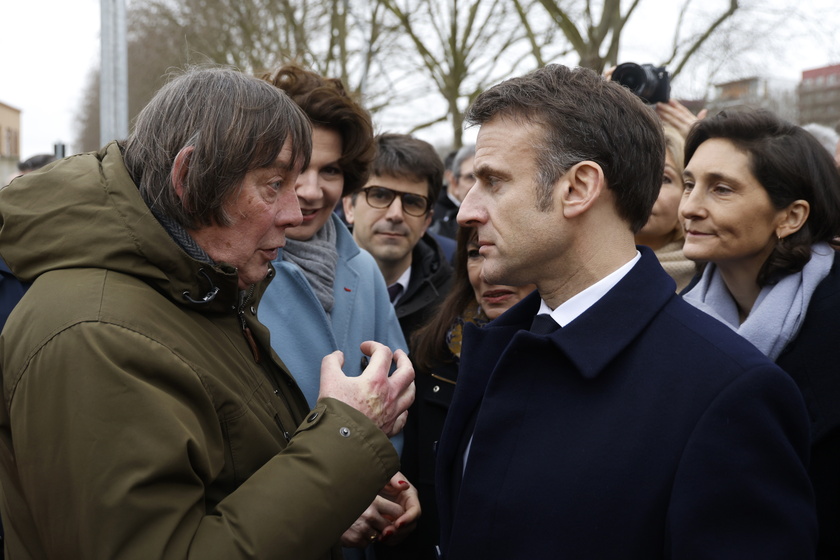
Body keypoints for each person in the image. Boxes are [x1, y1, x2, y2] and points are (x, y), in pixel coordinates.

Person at [0, 67, 416, 560]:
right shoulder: (94, 336)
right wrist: (344, 435)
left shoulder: (202, 290)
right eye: (274, 184)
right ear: (189, 178)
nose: (295, 210)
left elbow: (234, 488)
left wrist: (340, 487)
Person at [436, 64, 816, 559]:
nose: (466, 211)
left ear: (578, 188)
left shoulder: (730, 392)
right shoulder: (500, 346)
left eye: (493, 182)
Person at [255, 64, 417, 553]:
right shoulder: (234, 268)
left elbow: (391, 397)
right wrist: (326, 498)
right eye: (295, 167)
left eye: (330, 170)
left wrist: (386, 486)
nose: (310, 190)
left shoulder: (364, 270)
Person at [679, 108, 840, 559]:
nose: (690, 206)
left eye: (721, 189)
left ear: (790, 217)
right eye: (689, 183)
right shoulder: (672, 320)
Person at [381, 225, 533, 560]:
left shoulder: (563, 357)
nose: (489, 272)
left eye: (507, 251)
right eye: (476, 254)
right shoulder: (430, 353)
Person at [343, 133, 453, 345]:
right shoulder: (311, 286)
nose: (396, 214)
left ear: (427, 221)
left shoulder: (454, 302)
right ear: (349, 206)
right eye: (380, 195)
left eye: (412, 202)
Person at [634, 125, 695, 291]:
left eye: (664, 179)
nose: (645, 187)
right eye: (636, 173)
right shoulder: (579, 265)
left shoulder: (712, 274)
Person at [429, 145, 475, 240]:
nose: (478, 186)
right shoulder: (430, 214)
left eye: (488, 178)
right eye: (471, 177)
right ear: (453, 181)